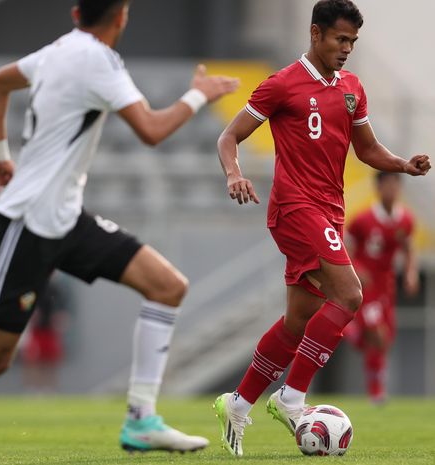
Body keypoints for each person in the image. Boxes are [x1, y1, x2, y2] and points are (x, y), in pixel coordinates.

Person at [0, 0, 240, 463]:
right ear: (121, 15)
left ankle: (141, 419)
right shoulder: (98, 60)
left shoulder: (59, 50)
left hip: (65, 218)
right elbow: (152, 129)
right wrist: (199, 93)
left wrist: (0, 154)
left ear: (76, 12)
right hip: (26, 222)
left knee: (167, 286)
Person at [213, 0, 430, 457]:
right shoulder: (282, 85)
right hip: (294, 208)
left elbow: (367, 150)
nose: (347, 48)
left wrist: (403, 166)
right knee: (350, 295)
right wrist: (234, 173)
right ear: (315, 34)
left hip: (331, 210)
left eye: (353, 41)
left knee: (299, 319)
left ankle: (238, 402)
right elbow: (228, 136)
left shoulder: (352, 88)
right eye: (340, 39)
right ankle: (291, 399)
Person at [343, 171, 419, 404]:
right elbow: (345, 247)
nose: (391, 189)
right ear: (378, 187)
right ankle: (376, 391)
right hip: (367, 286)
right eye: (387, 184)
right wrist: (356, 268)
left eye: (395, 184)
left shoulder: (405, 219)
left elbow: (408, 248)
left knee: (385, 338)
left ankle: (350, 332)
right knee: (377, 334)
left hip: (387, 285)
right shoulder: (362, 220)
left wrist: (410, 273)